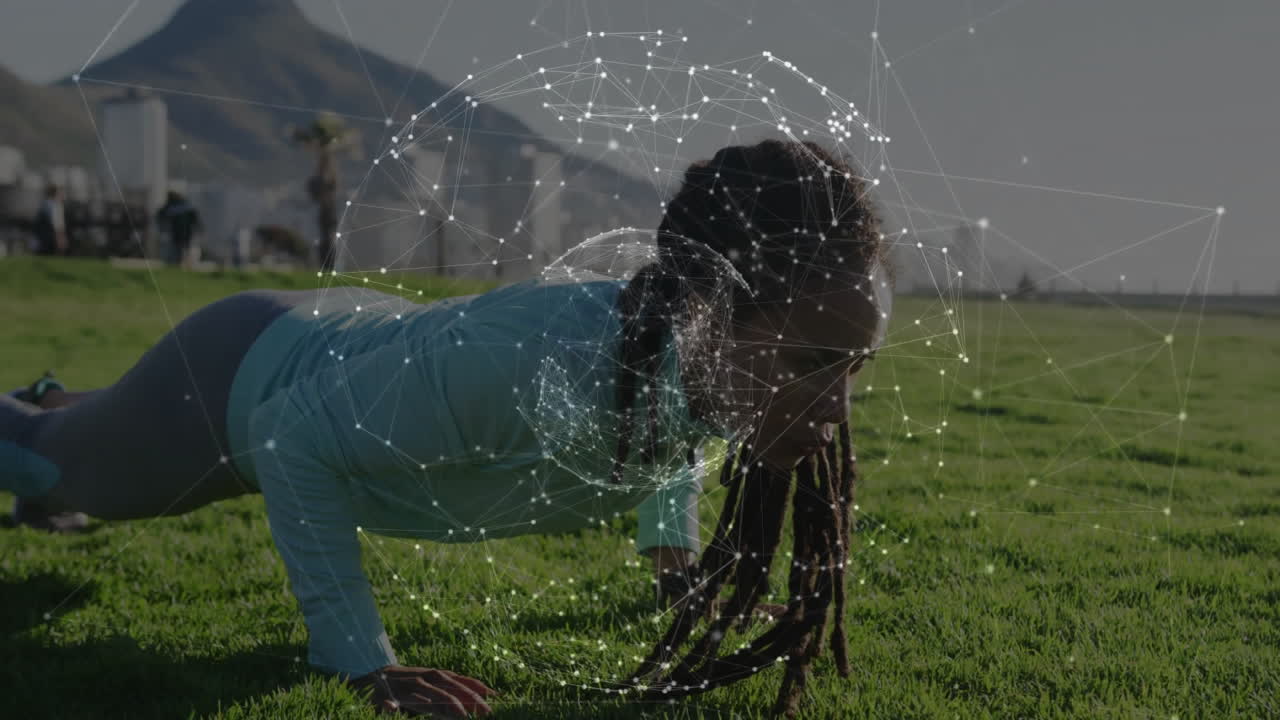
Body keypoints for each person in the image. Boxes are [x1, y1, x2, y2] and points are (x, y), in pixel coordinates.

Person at [0, 139, 892, 718]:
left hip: (340, 345)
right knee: (47, 472)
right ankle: (42, 423)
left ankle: (67, 402)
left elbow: (669, 435)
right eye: (811, 362)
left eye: (853, 369)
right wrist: (361, 662)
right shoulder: (542, 359)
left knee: (83, 440)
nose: (836, 409)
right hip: (236, 389)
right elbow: (290, 439)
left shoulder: (682, 356)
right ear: (713, 314)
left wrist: (677, 570)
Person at [156, 190, 202, 268]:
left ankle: (180, 263)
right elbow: (196, 220)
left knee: (180, 249)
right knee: (180, 249)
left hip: (182, 233)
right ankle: (180, 263)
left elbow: (160, 215)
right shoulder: (185, 206)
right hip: (181, 233)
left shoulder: (175, 206)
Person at [32, 184, 68, 256]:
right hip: (51, 236)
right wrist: (60, 238)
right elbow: (57, 224)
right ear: (56, 193)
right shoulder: (55, 206)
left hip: (44, 236)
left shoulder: (44, 205)